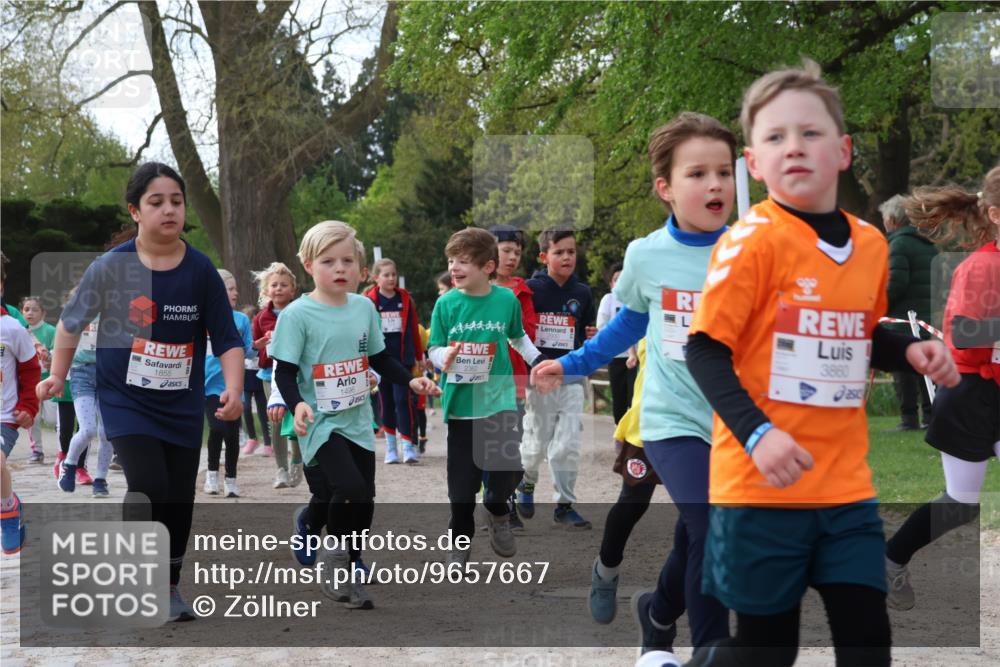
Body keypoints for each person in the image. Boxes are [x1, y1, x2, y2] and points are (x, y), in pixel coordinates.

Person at [681, 62, 959, 667]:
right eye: (775, 138)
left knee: (868, 645)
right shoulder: (750, 242)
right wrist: (758, 435)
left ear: (843, 150)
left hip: (845, 489)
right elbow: (703, 349)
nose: (794, 147)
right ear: (752, 164)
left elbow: (863, 333)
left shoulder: (868, 244)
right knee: (765, 655)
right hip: (759, 490)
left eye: (810, 133)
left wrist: (908, 349)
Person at [532, 112, 738, 654]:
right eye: (697, 174)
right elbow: (629, 322)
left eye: (724, 171)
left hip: (734, 420)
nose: (715, 184)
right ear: (665, 188)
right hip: (671, 419)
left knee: (700, 532)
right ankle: (710, 649)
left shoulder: (751, 249)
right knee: (712, 530)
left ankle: (658, 613)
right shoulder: (646, 256)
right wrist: (571, 363)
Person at [37, 162, 245, 621]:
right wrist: (57, 375)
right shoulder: (109, 268)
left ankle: (169, 586)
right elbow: (71, 324)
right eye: (156, 202)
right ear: (135, 210)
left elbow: (227, 338)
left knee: (179, 497)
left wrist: (233, 388)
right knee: (149, 485)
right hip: (125, 399)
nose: (169, 210)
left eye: (176, 201)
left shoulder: (200, 270)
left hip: (182, 402)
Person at [271, 220, 438, 609]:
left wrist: (410, 381)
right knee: (349, 489)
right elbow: (283, 370)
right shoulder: (297, 315)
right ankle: (335, 559)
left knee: (365, 500)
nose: (340, 268)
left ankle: (319, 532)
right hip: (318, 422)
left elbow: (380, 357)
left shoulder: (364, 308)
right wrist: (297, 403)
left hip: (357, 418)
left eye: (347, 260)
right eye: (329, 261)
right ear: (309, 265)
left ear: (361, 268)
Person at [883, 166, 1000, 611]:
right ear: (994, 213)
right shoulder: (981, 267)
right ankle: (890, 558)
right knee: (962, 502)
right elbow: (966, 334)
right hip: (968, 393)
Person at [427, 227, 543, 564]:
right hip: (463, 406)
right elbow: (434, 346)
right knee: (461, 491)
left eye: (463, 261)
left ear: (487, 267)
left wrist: (540, 361)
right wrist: (441, 358)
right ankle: (459, 544)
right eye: (451, 261)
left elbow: (517, 337)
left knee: (506, 470)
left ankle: (497, 511)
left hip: (501, 399)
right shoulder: (445, 305)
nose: (455, 268)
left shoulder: (505, 300)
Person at [519, 227, 597, 528]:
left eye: (571, 252)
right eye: (559, 252)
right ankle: (526, 482)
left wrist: (591, 334)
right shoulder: (531, 290)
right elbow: (520, 332)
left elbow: (585, 331)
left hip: (572, 377)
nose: (567, 257)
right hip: (540, 379)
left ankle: (564, 504)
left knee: (568, 444)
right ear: (543, 256)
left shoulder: (582, 293)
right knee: (536, 442)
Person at [590, 339, 659, 624]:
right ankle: (606, 571)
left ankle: (666, 606)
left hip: (708, 426)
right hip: (652, 423)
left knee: (702, 513)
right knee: (633, 503)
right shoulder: (658, 302)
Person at [489, 223, 538, 529]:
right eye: (506, 250)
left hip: (515, 380)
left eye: (517, 252)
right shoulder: (471, 288)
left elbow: (528, 333)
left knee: (511, 443)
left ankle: (505, 500)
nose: (511, 257)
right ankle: (498, 504)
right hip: (480, 380)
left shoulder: (524, 292)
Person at [880, 194, 939, 430]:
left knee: (903, 367)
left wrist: (879, 305)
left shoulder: (898, 244)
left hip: (904, 316)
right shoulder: (928, 244)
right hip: (928, 316)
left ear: (893, 220)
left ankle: (909, 418)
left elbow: (896, 284)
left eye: (884, 218)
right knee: (927, 368)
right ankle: (931, 414)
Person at [364, 258, 425, 464]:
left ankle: (407, 446)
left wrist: (419, 356)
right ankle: (391, 448)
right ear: (376, 278)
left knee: (402, 400)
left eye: (393, 274)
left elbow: (414, 330)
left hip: (403, 360)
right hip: (380, 361)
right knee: (386, 402)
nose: (391, 278)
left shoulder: (405, 299)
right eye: (386, 275)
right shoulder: (370, 301)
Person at [1, 253, 42, 555]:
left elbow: (31, 370)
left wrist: (29, 407)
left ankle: (7, 510)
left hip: (5, 415)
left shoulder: (12, 328)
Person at [251, 261, 303, 487]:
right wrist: (260, 344)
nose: (279, 289)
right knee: (276, 420)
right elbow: (251, 346)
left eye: (284, 285)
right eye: (274, 285)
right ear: (266, 290)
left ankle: (297, 461)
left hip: (295, 373)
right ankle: (280, 468)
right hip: (267, 374)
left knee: (297, 416)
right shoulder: (261, 318)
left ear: (293, 290)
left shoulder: (300, 312)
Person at [203, 269, 255, 498]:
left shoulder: (242, 320)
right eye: (230, 288)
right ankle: (211, 474)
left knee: (232, 435)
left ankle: (231, 480)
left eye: (235, 288)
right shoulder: (203, 316)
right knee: (216, 428)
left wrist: (261, 346)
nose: (236, 292)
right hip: (208, 386)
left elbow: (249, 351)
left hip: (233, 385)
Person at [56, 312, 114, 498]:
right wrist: (57, 376)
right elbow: (62, 346)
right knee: (88, 429)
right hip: (81, 373)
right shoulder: (75, 315)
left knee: (107, 432)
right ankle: (70, 463)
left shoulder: (117, 312)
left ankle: (100, 479)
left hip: (109, 373)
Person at [597, 263, 637, 425]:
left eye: (623, 278)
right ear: (611, 284)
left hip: (637, 358)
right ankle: (619, 433)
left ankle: (633, 436)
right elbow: (602, 326)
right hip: (617, 356)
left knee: (634, 397)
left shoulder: (637, 300)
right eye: (616, 279)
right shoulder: (609, 299)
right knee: (619, 396)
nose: (619, 282)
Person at [20, 296, 56, 463]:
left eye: (35, 310)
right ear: (22, 312)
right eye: (27, 309)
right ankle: (37, 451)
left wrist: (49, 356)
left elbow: (58, 351)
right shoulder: (19, 331)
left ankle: (63, 448)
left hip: (48, 379)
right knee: (33, 418)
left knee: (52, 419)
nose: (30, 313)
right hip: (29, 381)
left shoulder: (50, 331)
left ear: (43, 313)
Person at [241, 304, 270, 455]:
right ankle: (252, 438)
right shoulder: (241, 334)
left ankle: (268, 442)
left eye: (252, 321)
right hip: (245, 374)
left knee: (262, 408)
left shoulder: (262, 333)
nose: (250, 325)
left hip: (259, 374)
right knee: (245, 408)